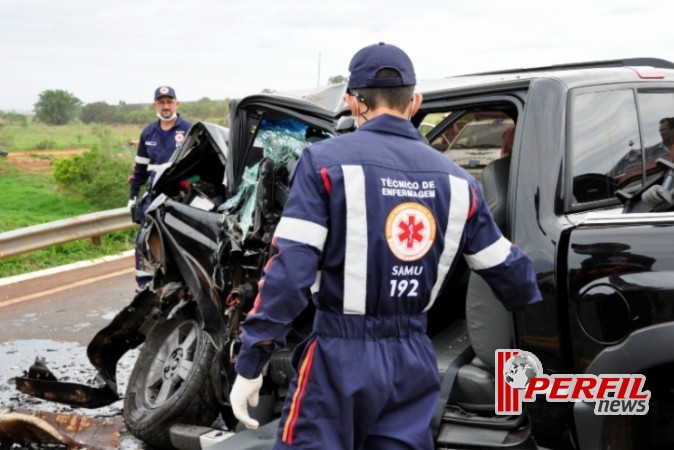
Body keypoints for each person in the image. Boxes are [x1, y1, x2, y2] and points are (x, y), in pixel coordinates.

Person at [229, 42, 542, 450]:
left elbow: (289, 273)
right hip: (414, 361)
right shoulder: (459, 182)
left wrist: (253, 359)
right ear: (415, 102)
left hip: (339, 358)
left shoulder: (324, 164)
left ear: (352, 102)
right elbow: (510, 272)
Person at [127, 86, 192, 288]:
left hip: (180, 197)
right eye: (161, 102)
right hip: (154, 196)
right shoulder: (148, 132)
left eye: (169, 102)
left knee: (182, 240)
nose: (166, 106)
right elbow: (140, 168)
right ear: (155, 105)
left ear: (176, 103)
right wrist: (132, 196)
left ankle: (183, 283)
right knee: (143, 240)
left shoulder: (188, 129)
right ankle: (145, 285)